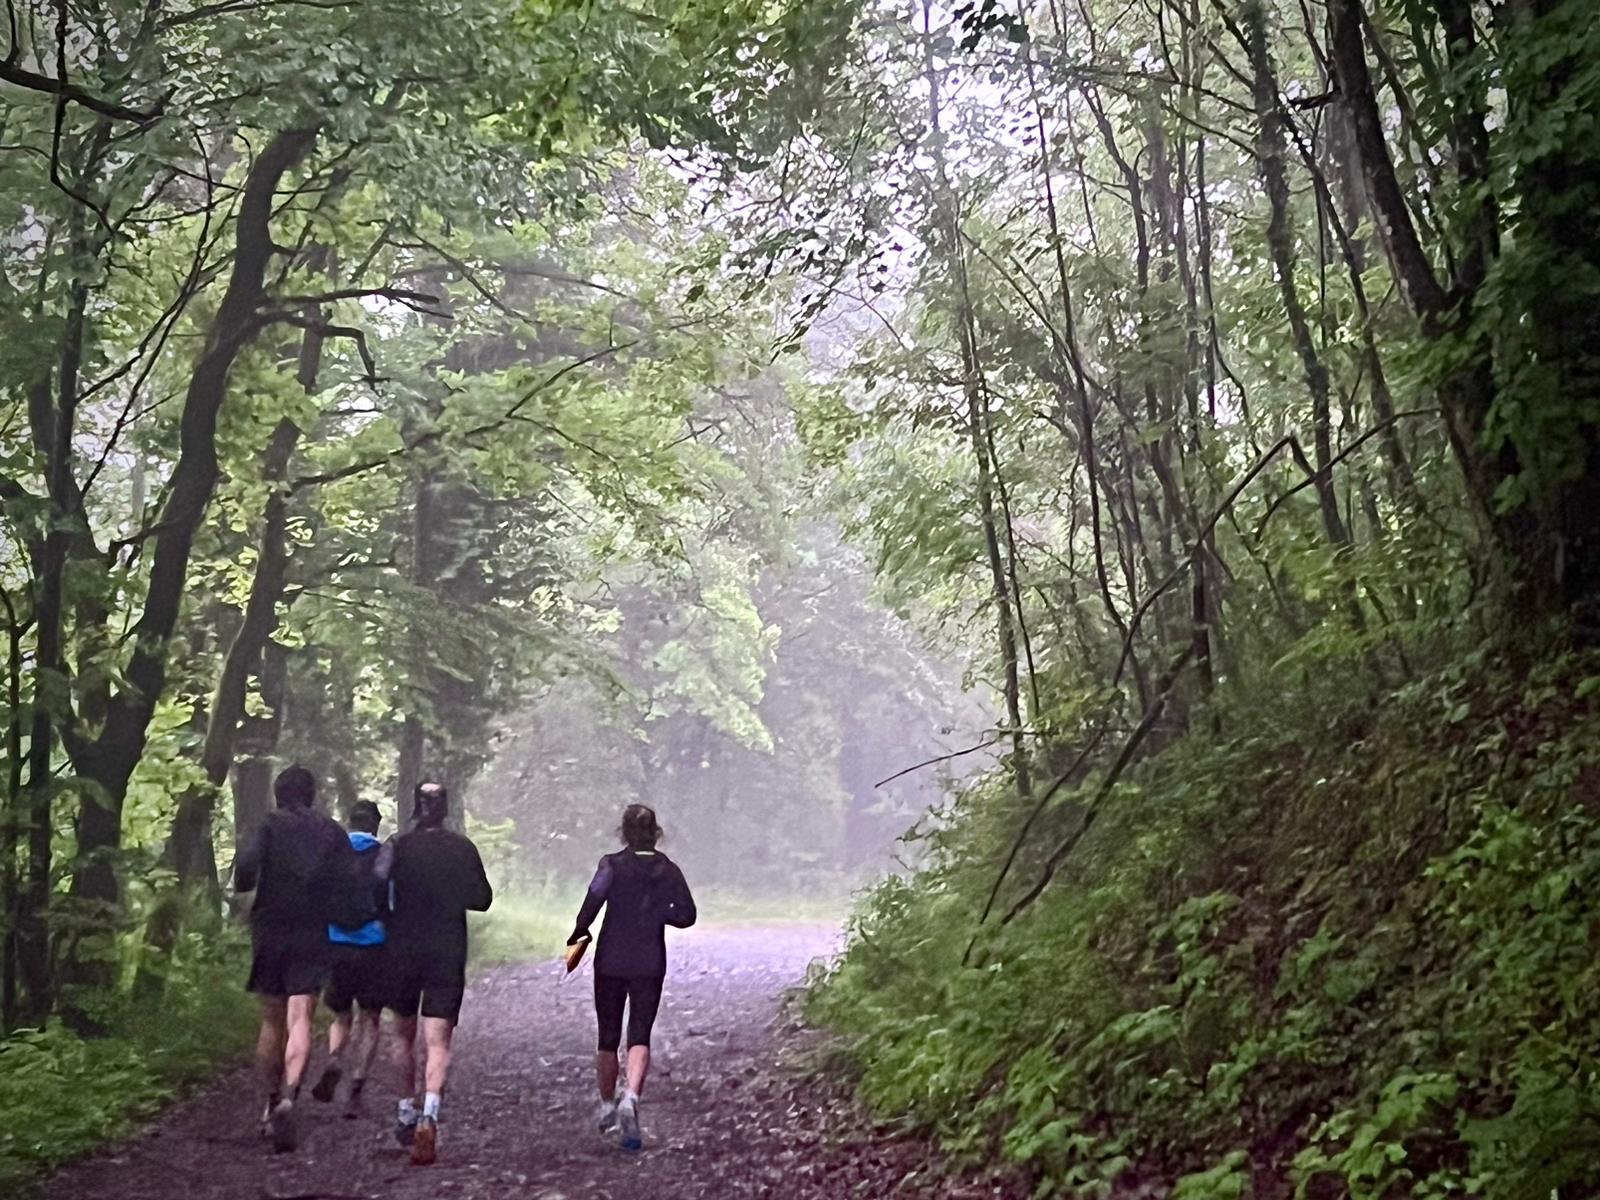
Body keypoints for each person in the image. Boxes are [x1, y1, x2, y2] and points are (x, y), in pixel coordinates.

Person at [234, 764, 353, 1152]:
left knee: (271, 1021)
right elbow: (349, 885)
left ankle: (269, 1107)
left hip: (270, 929)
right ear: (312, 794)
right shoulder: (332, 831)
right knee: (300, 1016)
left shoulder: (267, 825)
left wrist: (248, 883)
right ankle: (289, 1096)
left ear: (278, 794)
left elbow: (246, 872)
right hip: (312, 931)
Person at [567, 803, 697, 1152]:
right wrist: (660, 913)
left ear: (622, 832)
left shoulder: (610, 865)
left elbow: (592, 901)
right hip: (649, 960)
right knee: (640, 1031)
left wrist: (579, 933)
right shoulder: (667, 870)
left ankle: (608, 1104)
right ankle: (632, 1098)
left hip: (610, 959)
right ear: (656, 833)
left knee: (607, 1034)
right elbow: (687, 915)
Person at [384, 781, 493, 1166]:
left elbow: (378, 887)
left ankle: (404, 1110)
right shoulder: (462, 848)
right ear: (445, 809)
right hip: (446, 949)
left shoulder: (398, 846)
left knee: (402, 1034)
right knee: (438, 1040)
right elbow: (482, 899)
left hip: (401, 949)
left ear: (415, 808)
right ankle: (430, 1115)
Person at [310, 799, 392, 1117]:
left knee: (341, 1016)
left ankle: (333, 1060)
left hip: (337, 942)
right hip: (373, 944)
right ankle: (356, 1088)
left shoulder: (334, 856)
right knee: (370, 1018)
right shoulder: (384, 854)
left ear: (350, 822)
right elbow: (392, 901)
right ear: (375, 824)